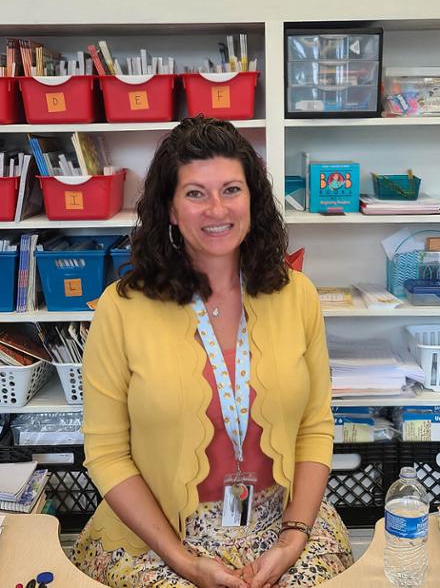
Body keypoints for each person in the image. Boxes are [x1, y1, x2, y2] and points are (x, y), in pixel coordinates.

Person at [72, 116, 354, 587]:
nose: (217, 209)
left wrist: (292, 539)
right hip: (159, 538)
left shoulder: (298, 295)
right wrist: (183, 563)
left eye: (231, 190)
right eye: (195, 193)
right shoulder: (120, 309)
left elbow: (315, 426)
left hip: (282, 523)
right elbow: (106, 453)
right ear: (170, 209)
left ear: (253, 199)